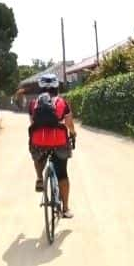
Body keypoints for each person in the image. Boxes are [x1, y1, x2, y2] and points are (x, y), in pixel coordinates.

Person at [27, 73, 77, 218]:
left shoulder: (33, 104)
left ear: (40, 87)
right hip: (59, 141)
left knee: (38, 155)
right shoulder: (63, 103)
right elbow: (69, 124)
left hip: (39, 141)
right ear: (56, 86)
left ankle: (39, 178)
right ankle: (66, 209)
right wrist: (73, 133)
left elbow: (32, 123)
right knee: (62, 174)